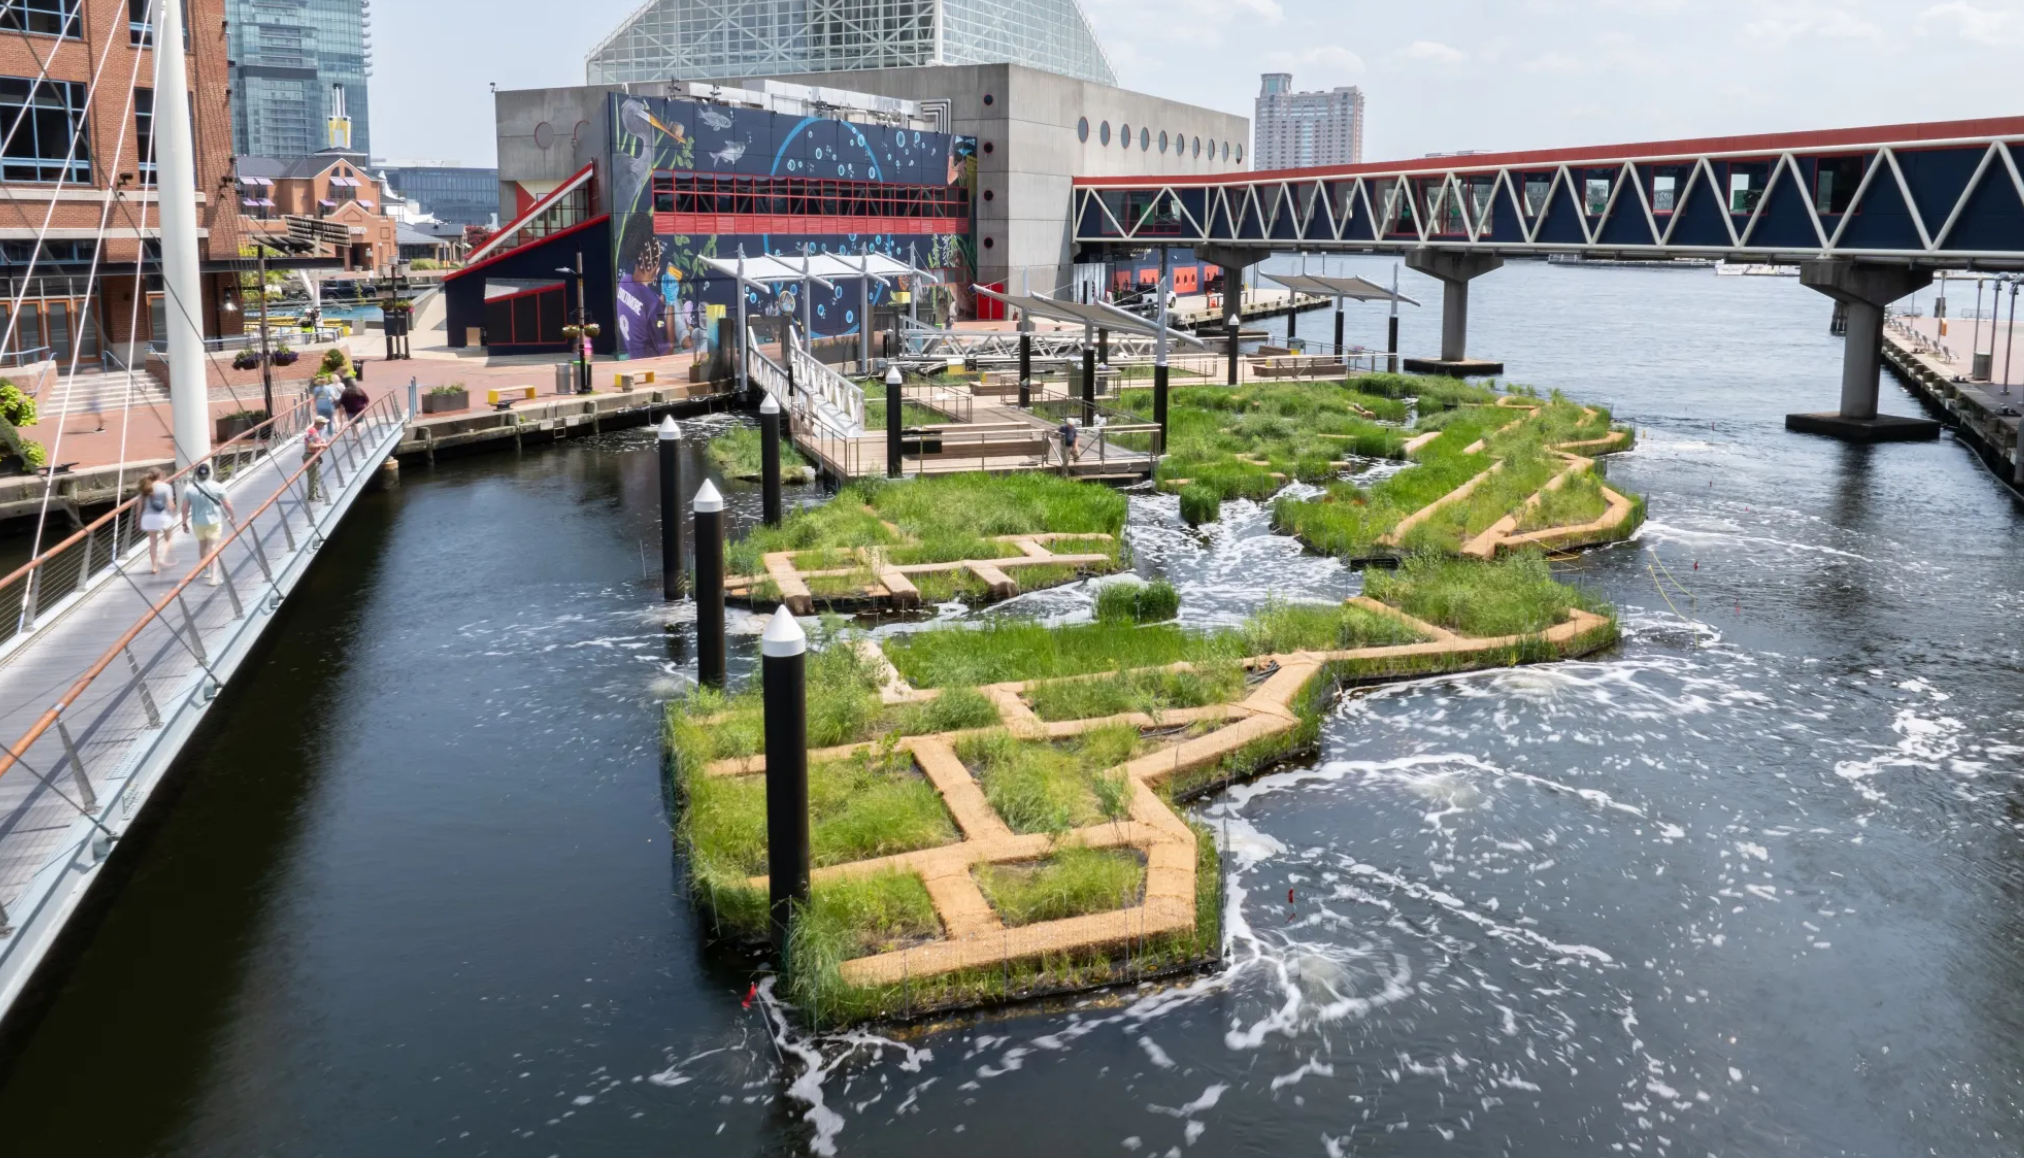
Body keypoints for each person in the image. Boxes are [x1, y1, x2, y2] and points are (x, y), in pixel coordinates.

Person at [181, 461, 235, 586]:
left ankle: (205, 570)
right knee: (213, 548)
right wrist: (232, 517)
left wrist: (184, 523)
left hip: (197, 522)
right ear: (210, 473)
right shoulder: (217, 486)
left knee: (202, 546)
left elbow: (184, 508)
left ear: (197, 475)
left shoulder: (189, 488)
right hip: (214, 522)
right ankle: (214, 576)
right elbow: (227, 504)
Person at [136, 468, 176, 574]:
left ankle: (154, 567)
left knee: (152, 542)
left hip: (147, 517)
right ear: (160, 475)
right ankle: (162, 558)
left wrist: (137, 520)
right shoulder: (166, 487)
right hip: (163, 517)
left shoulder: (145, 487)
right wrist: (173, 513)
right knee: (168, 539)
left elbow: (139, 506)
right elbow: (170, 504)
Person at [303, 416, 329, 502]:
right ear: (318, 424)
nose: (324, 425)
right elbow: (310, 445)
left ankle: (315, 494)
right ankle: (312, 496)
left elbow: (315, 442)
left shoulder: (315, 431)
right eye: (323, 423)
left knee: (316, 477)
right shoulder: (312, 431)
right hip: (310, 456)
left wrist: (322, 442)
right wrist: (322, 445)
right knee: (312, 477)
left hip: (314, 455)